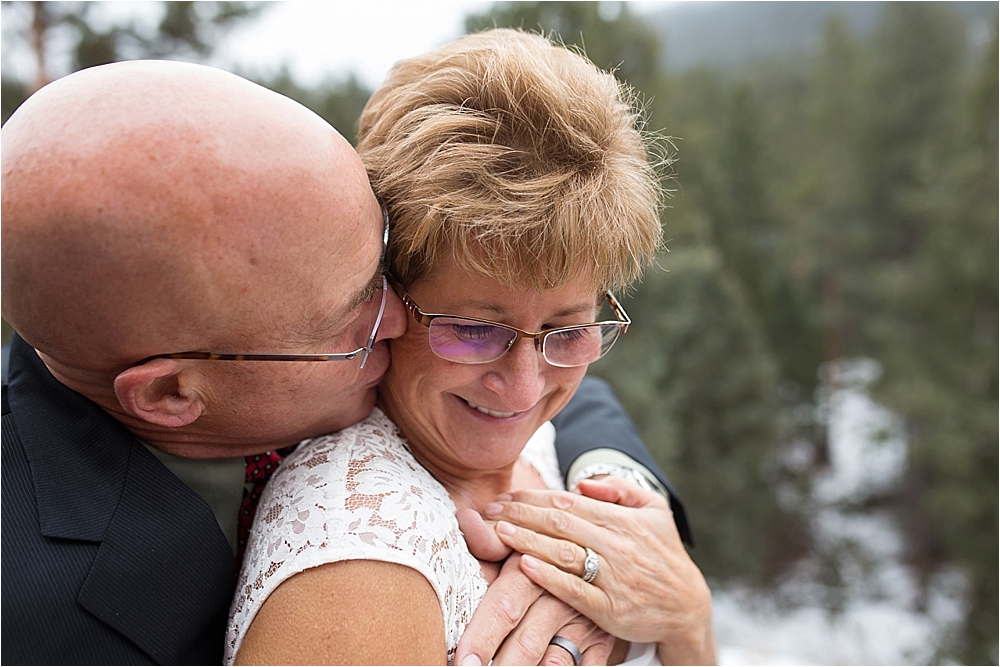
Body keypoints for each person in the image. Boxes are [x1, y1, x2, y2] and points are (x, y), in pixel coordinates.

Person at [1, 59, 689, 665]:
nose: (394, 320)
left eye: (381, 266)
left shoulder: (278, 257)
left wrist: (630, 522)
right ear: (174, 394)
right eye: (358, 306)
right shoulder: (43, 625)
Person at [228, 30, 713, 666]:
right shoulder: (358, 560)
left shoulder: (554, 447)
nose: (525, 388)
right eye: (476, 329)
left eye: (567, 331)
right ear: (385, 296)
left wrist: (687, 616)